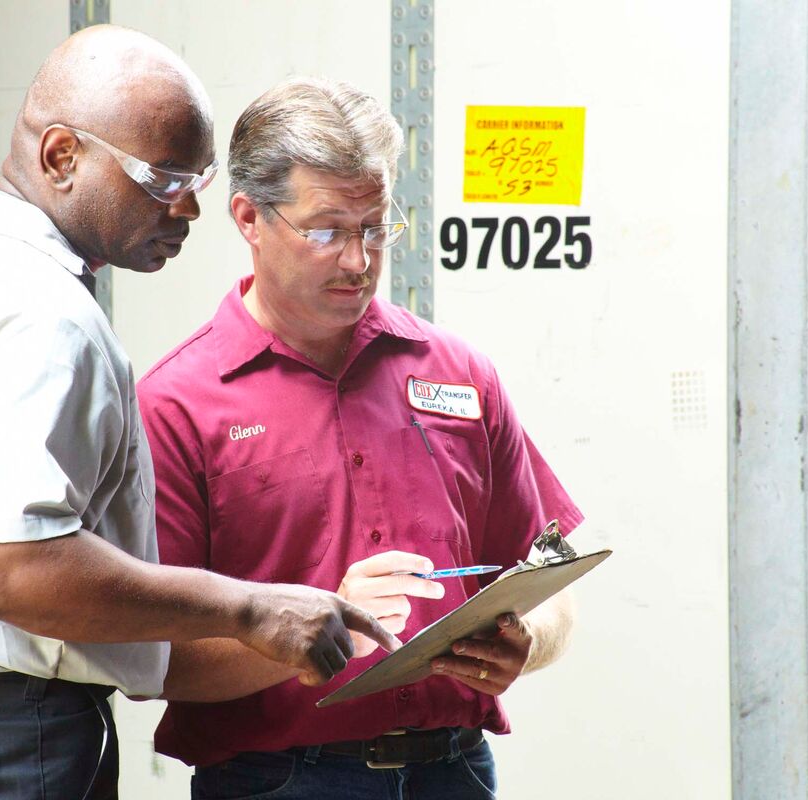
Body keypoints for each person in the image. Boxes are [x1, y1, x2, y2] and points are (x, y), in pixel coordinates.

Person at [0, 32, 398, 800]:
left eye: (195, 178)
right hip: (15, 728)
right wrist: (250, 606)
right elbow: (4, 566)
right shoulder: (44, 316)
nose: (189, 207)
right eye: (163, 178)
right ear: (62, 156)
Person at [137, 76, 584, 800]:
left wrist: (528, 642)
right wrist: (311, 625)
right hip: (279, 781)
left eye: (375, 228)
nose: (358, 261)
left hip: (457, 769)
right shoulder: (177, 406)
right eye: (326, 231)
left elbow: (549, 576)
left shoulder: (459, 374)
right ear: (248, 218)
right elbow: (156, 661)